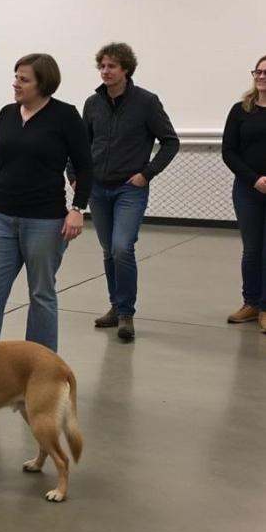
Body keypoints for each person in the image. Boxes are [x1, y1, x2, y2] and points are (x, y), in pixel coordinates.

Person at [0, 53, 93, 353]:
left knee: (41, 294)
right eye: (15, 77)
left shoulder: (65, 116)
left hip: (45, 221)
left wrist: (78, 209)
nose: (16, 84)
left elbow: (86, 165)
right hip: (3, 218)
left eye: (23, 80)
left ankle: (41, 367)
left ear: (43, 83)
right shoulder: (7, 114)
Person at [81, 42, 179, 342]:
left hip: (129, 189)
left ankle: (126, 314)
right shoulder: (92, 104)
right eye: (102, 66)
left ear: (126, 69)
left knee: (122, 247)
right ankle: (115, 306)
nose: (105, 71)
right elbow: (80, 145)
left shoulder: (146, 102)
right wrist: (75, 175)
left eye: (112, 66)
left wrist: (146, 174)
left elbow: (170, 142)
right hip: (98, 188)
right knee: (109, 250)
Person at [221, 54, 266, 333]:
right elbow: (229, 151)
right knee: (252, 250)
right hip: (247, 189)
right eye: (258, 72)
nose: (261, 77)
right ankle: (250, 302)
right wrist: (255, 179)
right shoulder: (241, 110)